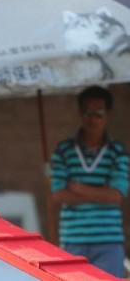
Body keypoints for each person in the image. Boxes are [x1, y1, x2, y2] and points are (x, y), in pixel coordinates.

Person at [50, 85, 129, 277]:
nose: (92, 119)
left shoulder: (118, 151)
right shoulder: (64, 150)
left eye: (98, 113)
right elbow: (59, 195)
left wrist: (77, 187)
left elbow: (117, 196)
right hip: (72, 239)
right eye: (87, 113)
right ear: (80, 113)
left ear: (108, 114)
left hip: (109, 241)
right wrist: (100, 192)